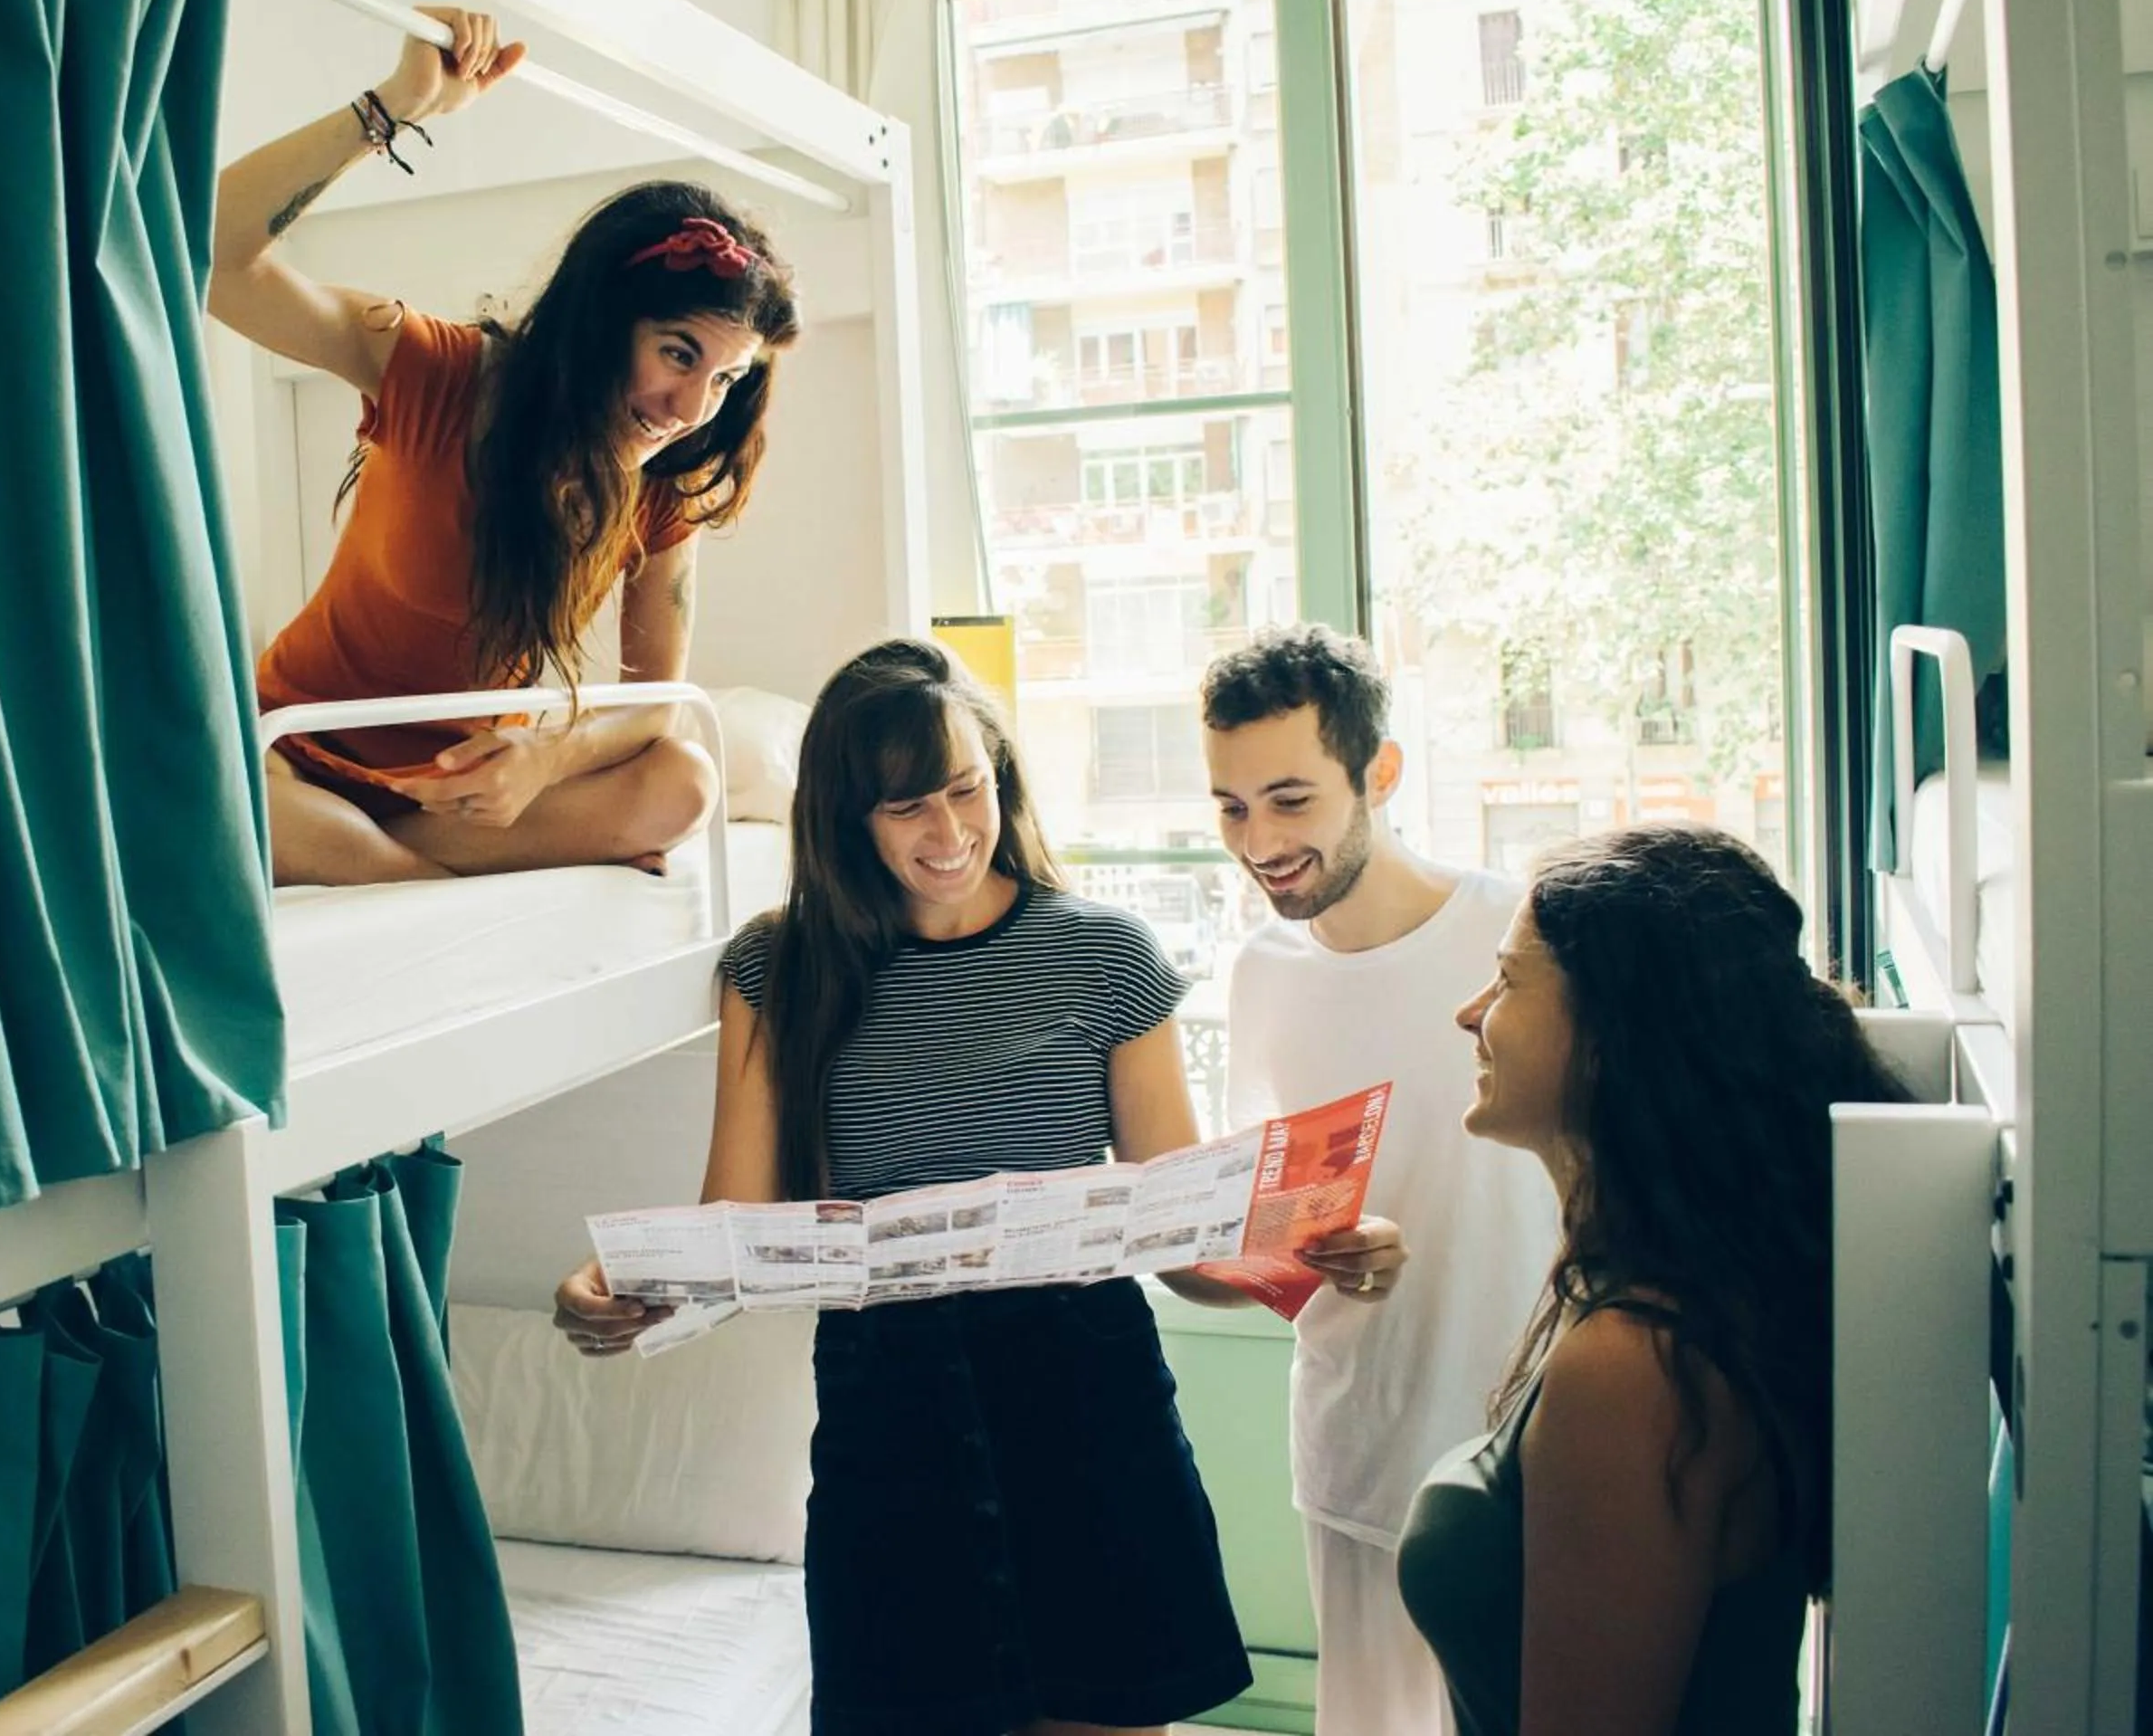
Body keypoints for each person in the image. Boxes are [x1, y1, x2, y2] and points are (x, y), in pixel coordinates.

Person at [553, 639, 1407, 1736]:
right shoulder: (781, 968)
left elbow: (1186, 1244)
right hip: (888, 1428)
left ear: (998, 774)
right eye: (907, 807)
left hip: (1091, 1413)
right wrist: (620, 1282)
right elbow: (736, 1234)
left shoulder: (1106, 955)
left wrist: (1317, 1248)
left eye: (967, 790)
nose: (949, 834)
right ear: (848, 817)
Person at [208, 7, 801, 884]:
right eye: (678, 354)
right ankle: (407, 875)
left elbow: (653, 708)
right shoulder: (437, 372)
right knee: (220, 792)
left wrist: (544, 763)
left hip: (471, 795)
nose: (689, 407)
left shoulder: (664, 486)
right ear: (604, 322)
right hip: (297, 756)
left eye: (723, 380)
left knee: (685, 781)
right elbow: (215, 256)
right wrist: (395, 107)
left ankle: (374, 865)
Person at [1399, 823, 1904, 1735]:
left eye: (1509, 980)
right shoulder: (1652, 1283)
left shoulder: (1635, 1369)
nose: (1471, 1012)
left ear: (1611, 1036)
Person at [1199, 626, 1560, 1736]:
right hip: (1357, 1458)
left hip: (1533, 1454)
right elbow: (1251, 1240)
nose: (1259, 840)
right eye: (1230, 806)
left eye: (1291, 798)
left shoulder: (1521, 933)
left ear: (1381, 774)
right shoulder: (1257, 972)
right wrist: (1309, 1251)